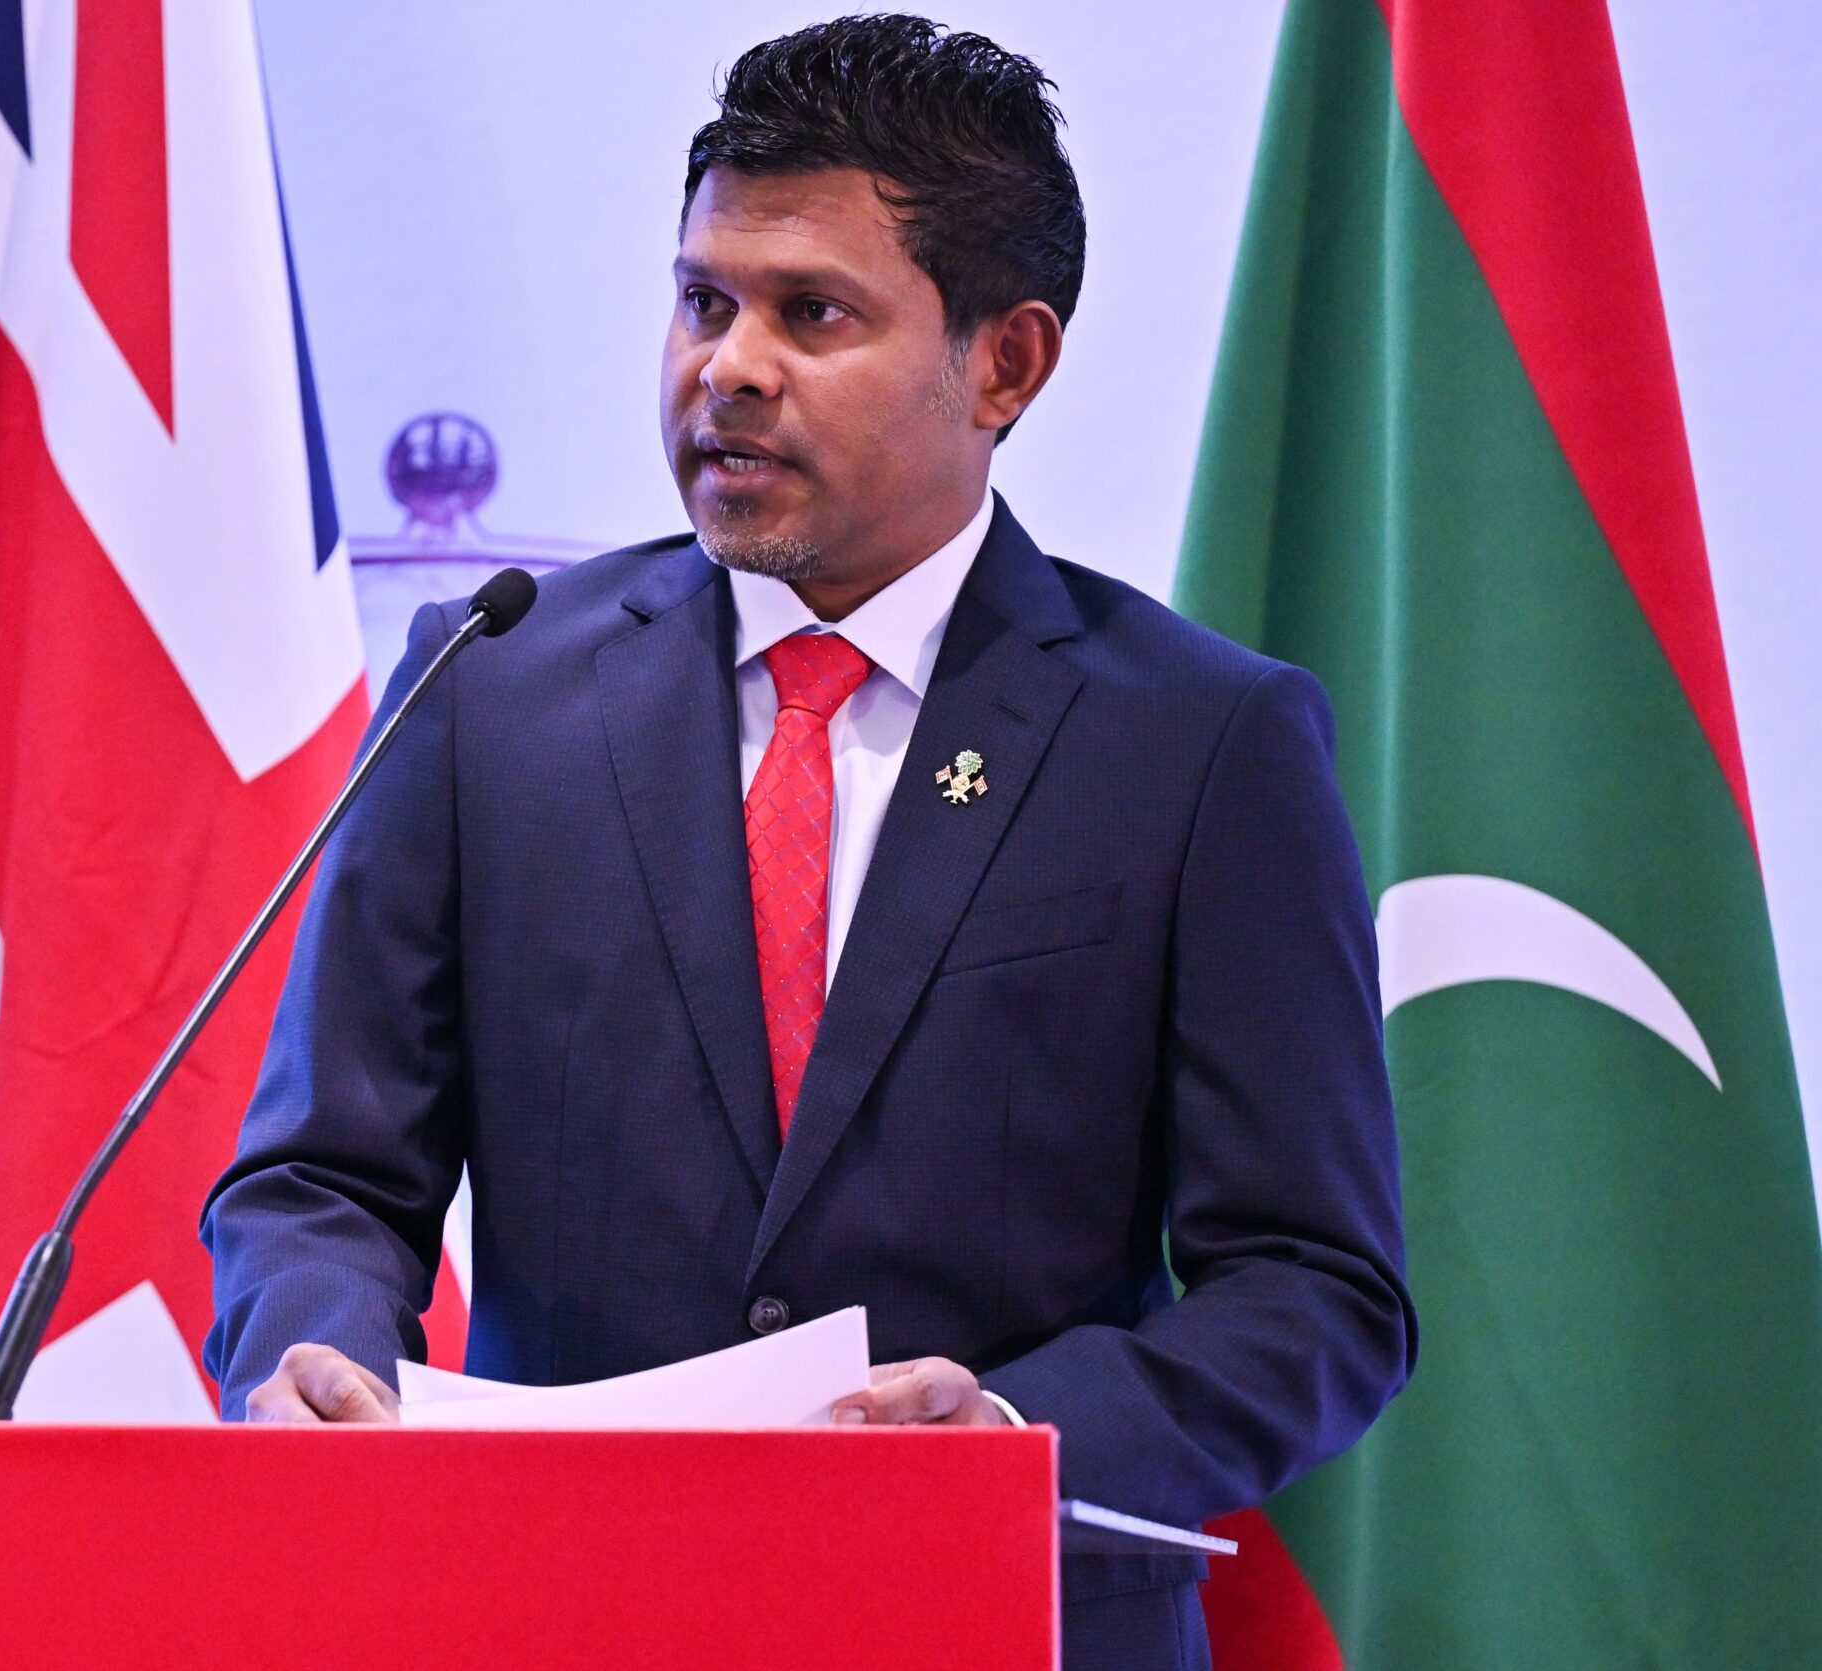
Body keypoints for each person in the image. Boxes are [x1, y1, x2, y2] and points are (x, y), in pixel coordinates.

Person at [201, 16, 1413, 1666]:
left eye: (812, 314)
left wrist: (1019, 1435)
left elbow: (1317, 1288)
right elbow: (325, 1174)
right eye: (704, 302)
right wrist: (313, 1350)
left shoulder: (1199, 744)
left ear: (1006, 365)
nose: (730, 368)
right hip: (565, 1615)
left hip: (1006, 1622)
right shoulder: (488, 691)